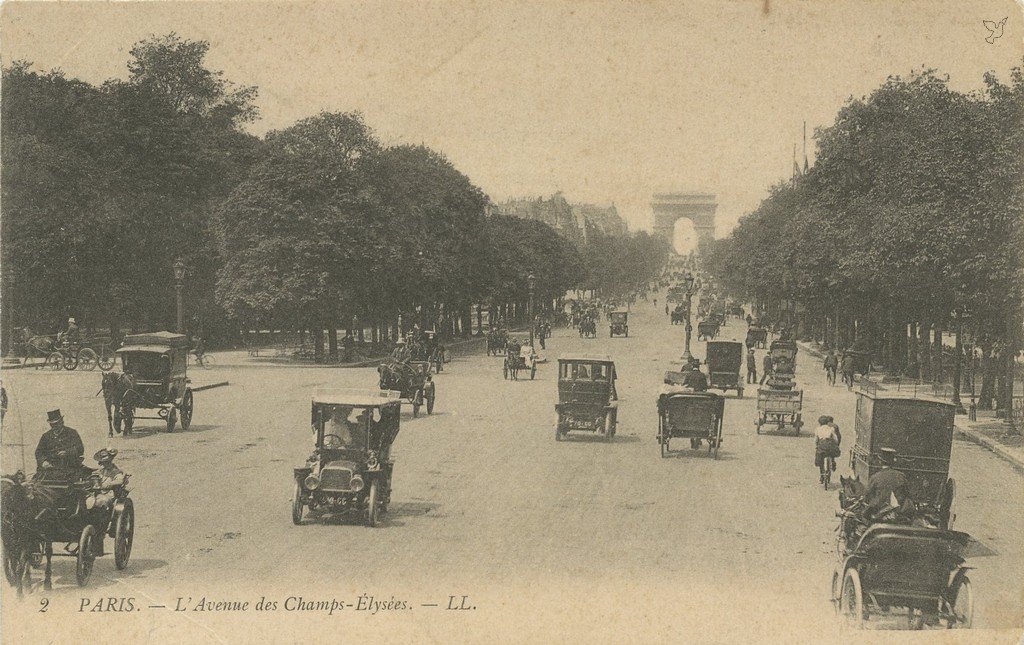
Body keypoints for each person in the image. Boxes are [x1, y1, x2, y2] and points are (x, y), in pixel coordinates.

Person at [862, 448, 909, 519]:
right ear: (893, 462)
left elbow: (867, 497)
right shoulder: (901, 476)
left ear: (880, 461)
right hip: (898, 514)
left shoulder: (875, 477)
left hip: (878, 515)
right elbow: (907, 494)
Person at [35, 409, 85, 474]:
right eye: (52, 424)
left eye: (56, 423)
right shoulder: (46, 436)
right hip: (51, 468)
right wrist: (43, 462)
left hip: (70, 467)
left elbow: (80, 448)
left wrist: (67, 452)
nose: (54, 426)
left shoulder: (72, 433)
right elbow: (38, 452)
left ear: (62, 422)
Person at [814, 416, 841, 484]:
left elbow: (816, 440)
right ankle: (832, 461)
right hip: (830, 445)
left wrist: (817, 445)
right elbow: (836, 439)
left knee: (820, 460)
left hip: (822, 446)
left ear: (820, 423)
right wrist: (836, 445)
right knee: (831, 452)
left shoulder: (817, 429)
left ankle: (821, 476)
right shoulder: (831, 429)